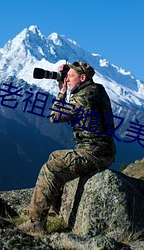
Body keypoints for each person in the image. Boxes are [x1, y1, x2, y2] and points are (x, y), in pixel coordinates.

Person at [18, 61, 116, 233]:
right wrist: (68, 72)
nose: (67, 79)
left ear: (83, 78)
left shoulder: (82, 98)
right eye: (67, 76)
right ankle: (56, 209)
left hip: (94, 153)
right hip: (103, 151)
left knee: (51, 168)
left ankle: (35, 224)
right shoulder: (97, 89)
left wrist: (61, 92)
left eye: (71, 77)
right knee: (55, 156)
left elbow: (55, 117)